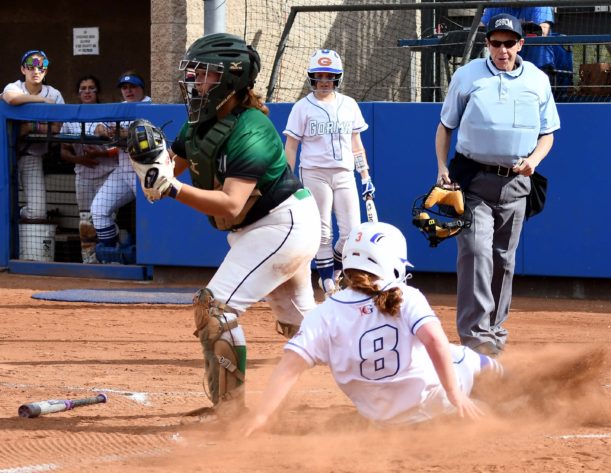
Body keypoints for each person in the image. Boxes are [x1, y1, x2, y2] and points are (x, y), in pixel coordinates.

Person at [126, 33, 321, 411]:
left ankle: (230, 411)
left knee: (214, 307)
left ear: (230, 80)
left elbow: (231, 205)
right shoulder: (198, 123)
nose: (194, 82)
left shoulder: (252, 129)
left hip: (283, 225)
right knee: (311, 330)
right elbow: (169, 170)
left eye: (204, 75)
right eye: (194, 74)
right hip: (260, 230)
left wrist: (172, 189)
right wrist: (149, 165)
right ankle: (397, 364)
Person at [242, 221, 504, 436]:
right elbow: (434, 341)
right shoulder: (405, 296)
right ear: (392, 263)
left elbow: (288, 367)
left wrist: (263, 414)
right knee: (462, 356)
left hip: (383, 421)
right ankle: (512, 390)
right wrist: (454, 393)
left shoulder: (322, 314)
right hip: (436, 405)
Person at [434, 14, 560, 356]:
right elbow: (446, 126)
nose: (502, 49)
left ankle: (494, 332)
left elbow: (547, 133)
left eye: (509, 42)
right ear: (487, 44)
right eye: (495, 42)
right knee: (475, 253)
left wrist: (534, 160)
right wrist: (442, 166)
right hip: (473, 179)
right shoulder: (468, 75)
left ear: (521, 44)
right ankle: (476, 338)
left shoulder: (537, 79)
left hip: (516, 183)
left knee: (504, 260)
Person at [283, 49, 374, 296]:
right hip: (314, 172)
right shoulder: (302, 107)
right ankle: (326, 280)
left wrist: (365, 175)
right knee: (323, 230)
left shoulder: (349, 104)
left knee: (352, 231)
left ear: (338, 78)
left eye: (329, 76)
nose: (324, 81)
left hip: (344, 172)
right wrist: (287, 179)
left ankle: (333, 269)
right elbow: (291, 145)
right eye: (319, 75)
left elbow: (357, 143)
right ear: (312, 77)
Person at [91, 71, 151, 263]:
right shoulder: (120, 107)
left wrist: (127, 133)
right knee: (98, 209)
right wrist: (103, 130)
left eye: (132, 87)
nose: (129, 91)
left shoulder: (151, 105)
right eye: (125, 88)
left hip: (146, 171)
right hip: (123, 170)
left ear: (142, 88)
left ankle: (150, 258)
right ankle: (112, 254)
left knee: (150, 216)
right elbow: (96, 126)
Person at [60, 75, 118, 263]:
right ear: (78, 93)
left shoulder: (108, 113)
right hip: (83, 176)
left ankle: (110, 258)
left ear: (97, 91)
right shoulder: (71, 117)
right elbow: (63, 152)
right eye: (83, 88)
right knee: (85, 221)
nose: (87, 91)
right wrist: (81, 159)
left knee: (104, 217)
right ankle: (89, 260)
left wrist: (101, 153)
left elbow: (119, 148)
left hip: (107, 174)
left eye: (91, 88)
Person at [2, 50, 65, 221]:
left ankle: (18, 213)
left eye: (41, 67)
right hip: (6, 155)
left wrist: (29, 126)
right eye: (31, 66)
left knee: (37, 212)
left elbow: (59, 127)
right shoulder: (14, 86)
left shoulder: (54, 93)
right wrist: (41, 102)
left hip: (32, 156)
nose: (36, 71)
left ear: (46, 70)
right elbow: (11, 98)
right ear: (23, 69)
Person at [481, 4, 554, 37]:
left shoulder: (539, 3)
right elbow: (481, 28)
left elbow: (542, 32)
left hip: (532, 50)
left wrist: (504, 27)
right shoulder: (496, 3)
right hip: (504, 47)